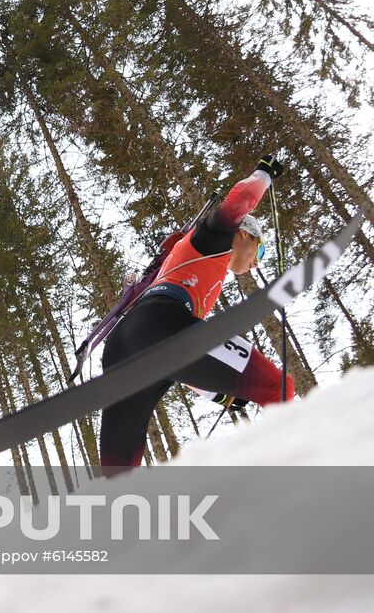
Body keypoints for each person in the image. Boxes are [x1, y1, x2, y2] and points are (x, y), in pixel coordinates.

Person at [98, 154, 290, 471]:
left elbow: (191, 365)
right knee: (279, 389)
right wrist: (265, 174)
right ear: (245, 234)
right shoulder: (213, 240)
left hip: (125, 346)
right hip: (162, 323)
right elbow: (238, 203)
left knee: (119, 468)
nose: (258, 261)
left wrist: (231, 397)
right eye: (262, 249)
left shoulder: (201, 269)